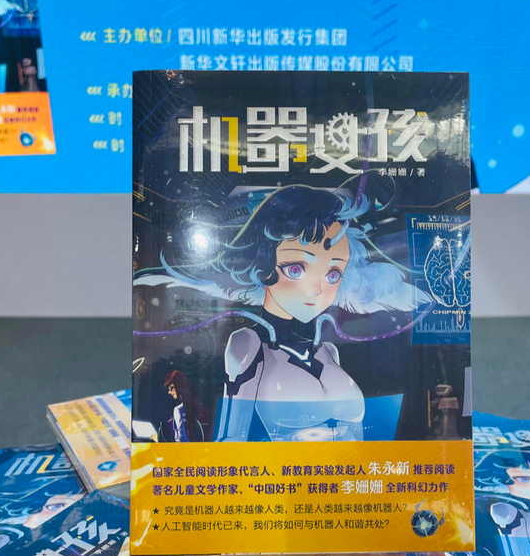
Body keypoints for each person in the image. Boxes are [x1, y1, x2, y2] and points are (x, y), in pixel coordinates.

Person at [150, 184, 432, 443]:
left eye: (333, 273)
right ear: (263, 267)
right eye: (296, 269)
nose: (317, 289)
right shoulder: (247, 344)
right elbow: (232, 439)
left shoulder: (329, 352)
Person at [163, 370, 208, 442]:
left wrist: (158, 439)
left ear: (178, 386)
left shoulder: (178, 410)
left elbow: (181, 440)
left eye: (171, 388)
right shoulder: (198, 405)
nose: (169, 392)